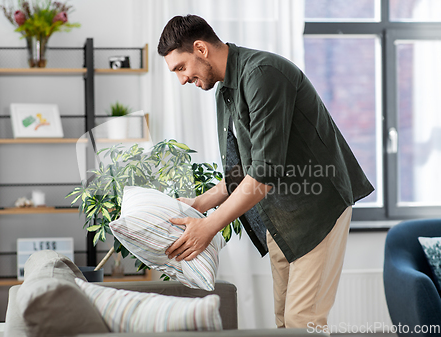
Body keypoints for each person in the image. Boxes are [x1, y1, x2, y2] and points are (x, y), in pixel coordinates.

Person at [158, 14, 374, 329]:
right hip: (280, 216)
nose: (182, 79)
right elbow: (244, 169)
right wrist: (197, 204)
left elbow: (264, 173)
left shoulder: (262, 74)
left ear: (201, 49)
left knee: (304, 320)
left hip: (317, 210)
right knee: (284, 322)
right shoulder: (225, 91)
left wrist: (209, 227)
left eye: (181, 67)